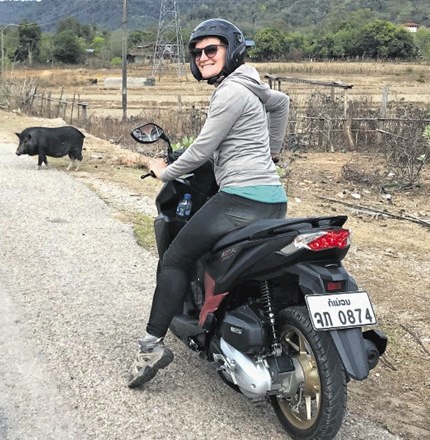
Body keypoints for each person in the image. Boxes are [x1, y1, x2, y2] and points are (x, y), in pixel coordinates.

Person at [127, 18, 291, 388]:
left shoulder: (230, 91)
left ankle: (151, 346)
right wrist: (273, 152)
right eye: (197, 52)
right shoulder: (252, 83)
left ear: (231, 50)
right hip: (272, 201)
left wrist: (162, 171)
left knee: (176, 258)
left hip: (239, 200)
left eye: (211, 49)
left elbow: (203, 148)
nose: (203, 57)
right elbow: (281, 105)